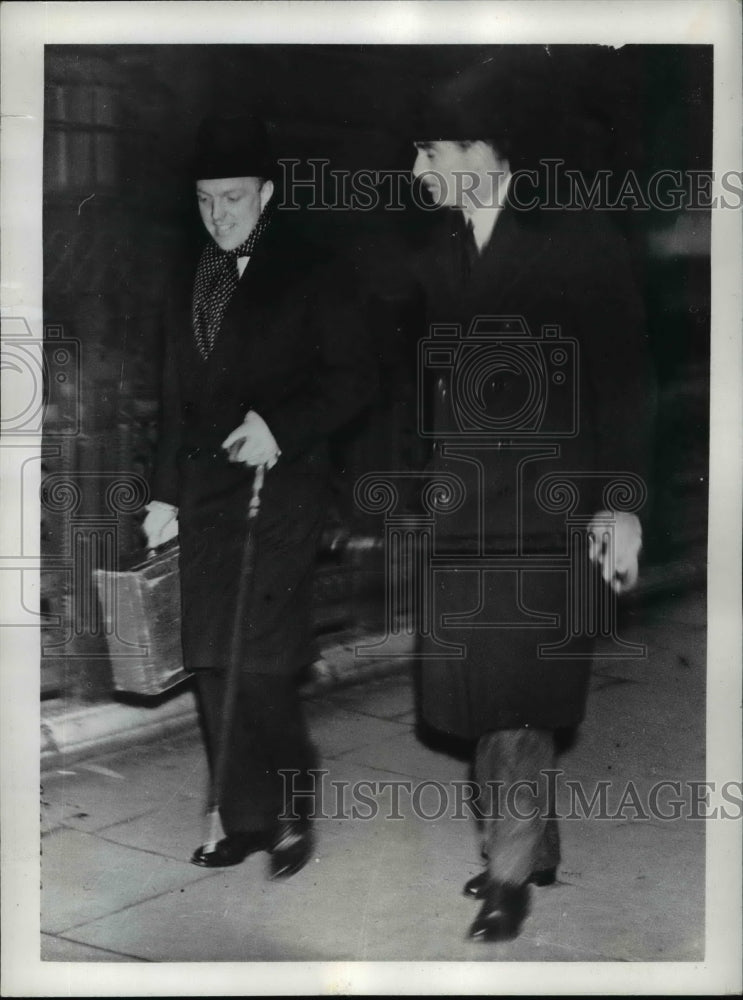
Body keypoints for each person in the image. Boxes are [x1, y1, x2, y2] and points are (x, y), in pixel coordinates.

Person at [408, 51, 656, 941]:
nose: (416, 171)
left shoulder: (574, 237)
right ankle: (533, 847)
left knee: (514, 694)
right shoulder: (430, 245)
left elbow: (625, 382)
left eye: (431, 151)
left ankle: (506, 872)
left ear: (485, 150)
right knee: (479, 694)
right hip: (456, 510)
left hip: (543, 509)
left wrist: (620, 503)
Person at [142, 113, 374, 878]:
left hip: (280, 489)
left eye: (234, 198)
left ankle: (292, 807)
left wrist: (280, 423)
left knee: (264, 658)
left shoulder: (313, 269)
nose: (219, 215)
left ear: (267, 193)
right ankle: (242, 820)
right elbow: (174, 395)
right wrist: (162, 497)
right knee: (212, 660)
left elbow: (352, 380)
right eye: (206, 200)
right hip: (206, 496)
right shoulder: (191, 273)